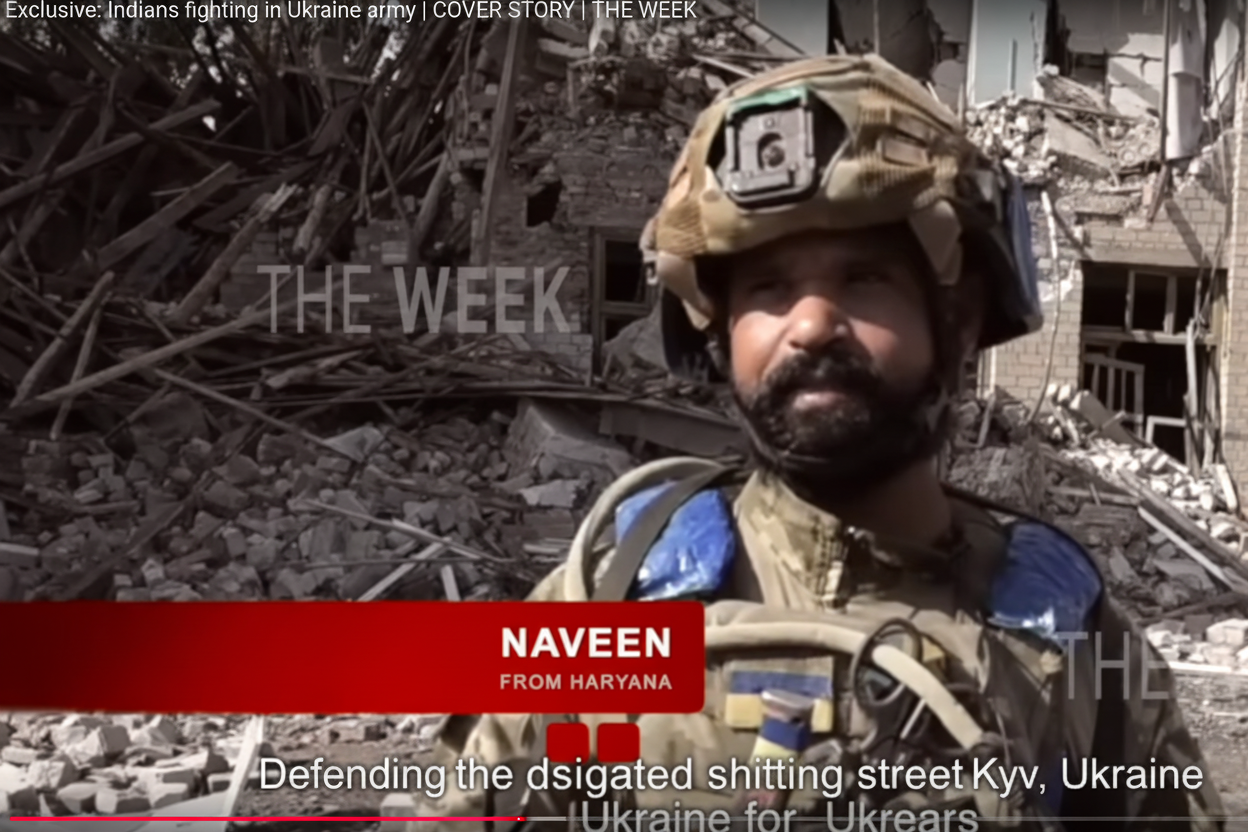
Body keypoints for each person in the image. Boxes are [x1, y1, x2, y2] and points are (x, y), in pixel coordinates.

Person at [411, 54, 1225, 831]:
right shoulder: (607, 598)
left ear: (960, 319)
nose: (809, 324)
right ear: (719, 333)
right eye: (768, 286)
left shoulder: (1070, 639)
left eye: (863, 278)